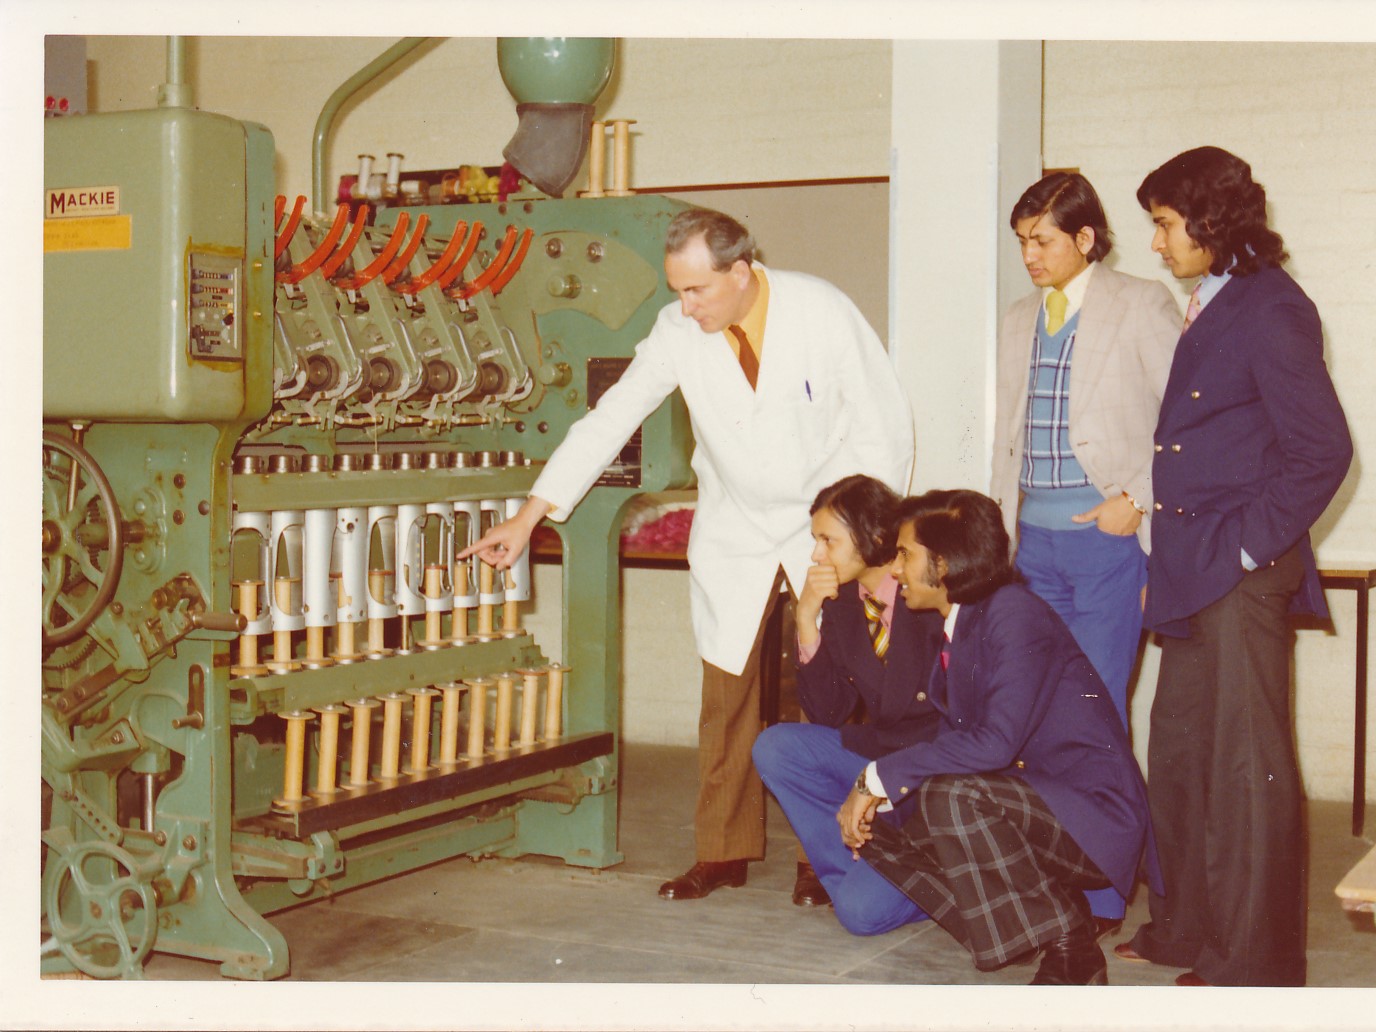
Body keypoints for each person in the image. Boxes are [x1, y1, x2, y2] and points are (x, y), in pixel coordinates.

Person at [459, 207, 914, 903]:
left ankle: (823, 858)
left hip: (823, 530)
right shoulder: (680, 330)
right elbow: (614, 413)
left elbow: (884, 426)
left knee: (826, 696)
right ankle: (721, 852)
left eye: (696, 290)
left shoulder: (822, 311)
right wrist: (531, 514)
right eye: (677, 290)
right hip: (735, 528)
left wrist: (871, 547)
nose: (684, 305)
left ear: (741, 271)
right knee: (725, 696)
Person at [1117, 147, 1352, 987]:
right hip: (1192, 569)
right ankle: (1186, 929)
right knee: (1180, 754)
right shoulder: (1214, 301)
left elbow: (1323, 450)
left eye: (1165, 224)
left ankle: (1254, 963)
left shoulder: (1271, 309)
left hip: (1239, 573)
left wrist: (1250, 547)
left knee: (1244, 773)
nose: (1155, 243)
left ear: (1213, 224)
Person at [841, 489, 1157, 985]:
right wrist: (881, 801)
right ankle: (1037, 920)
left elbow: (993, 745)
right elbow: (959, 748)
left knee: (946, 795)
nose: (895, 569)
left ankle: (1071, 944)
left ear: (944, 563)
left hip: (1093, 815)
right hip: (1031, 802)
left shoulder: (1013, 612)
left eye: (905, 554)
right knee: (885, 823)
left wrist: (874, 778)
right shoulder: (963, 624)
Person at [989, 171, 1180, 935]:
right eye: (1022, 243)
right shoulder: (1014, 320)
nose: (1029, 256)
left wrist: (1137, 496)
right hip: (1030, 545)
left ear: (1086, 238)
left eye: (1042, 240)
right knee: (1036, 715)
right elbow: (1009, 442)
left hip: (1105, 547)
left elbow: (1185, 425)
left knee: (1096, 713)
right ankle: (1054, 868)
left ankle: (1105, 890)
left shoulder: (1142, 305)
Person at [752, 474, 944, 930]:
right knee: (776, 747)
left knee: (860, 915)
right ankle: (862, 872)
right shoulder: (842, 601)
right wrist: (806, 618)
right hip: (881, 755)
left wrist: (882, 786)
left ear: (874, 538)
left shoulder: (927, 592)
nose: (816, 555)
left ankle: (933, 875)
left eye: (827, 541)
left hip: (934, 778)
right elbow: (828, 713)